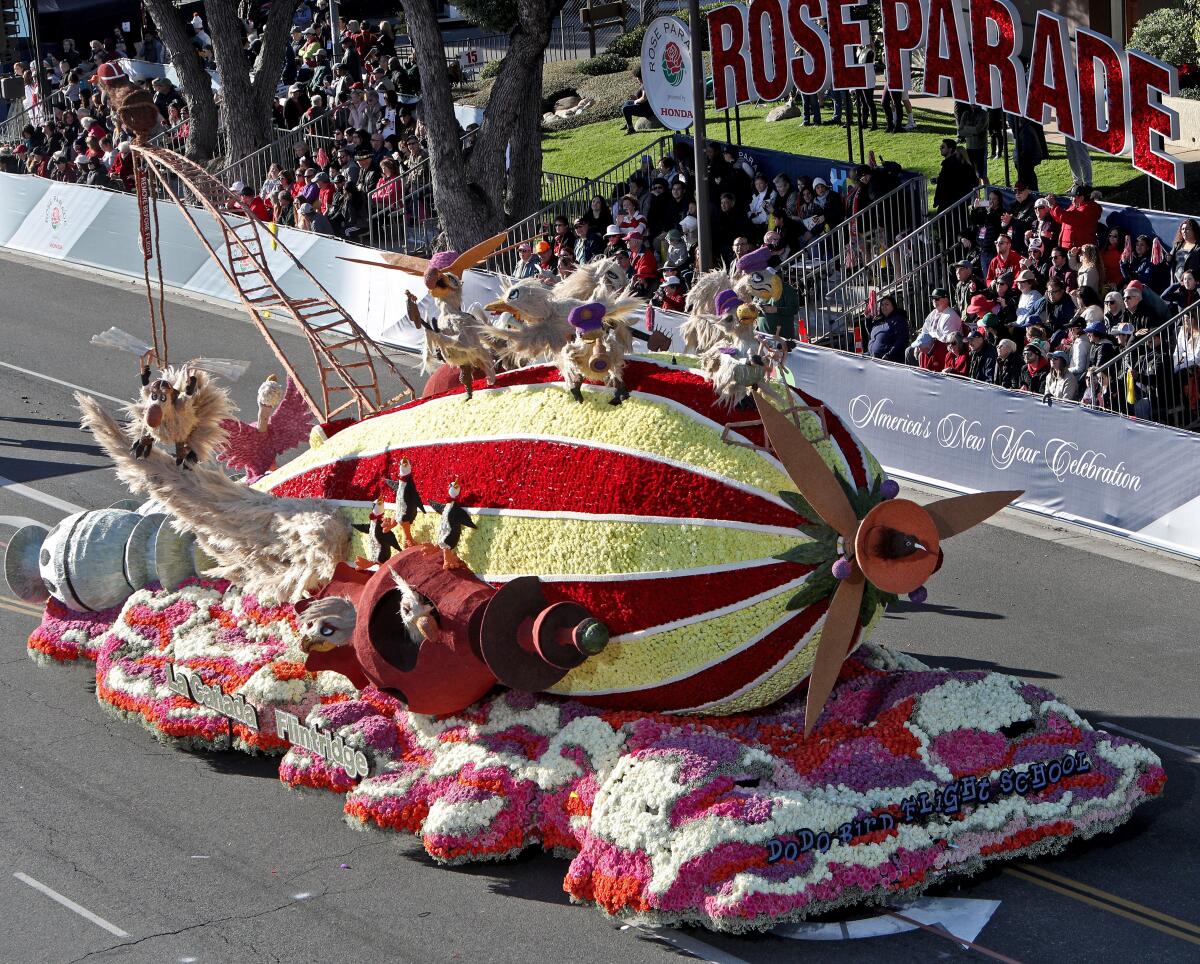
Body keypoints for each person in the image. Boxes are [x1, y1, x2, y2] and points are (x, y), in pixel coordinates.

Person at [911, 288, 962, 368]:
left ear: (946, 299)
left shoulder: (951, 315)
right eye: (932, 299)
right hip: (933, 344)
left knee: (928, 351)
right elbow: (925, 331)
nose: (934, 301)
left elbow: (948, 339)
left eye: (937, 298)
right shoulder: (933, 313)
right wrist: (919, 344)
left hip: (946, 346)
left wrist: (933, 335)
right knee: (910, 351)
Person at [867, 293, 909, 362]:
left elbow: (902, 339)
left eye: (887, 304)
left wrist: (889, 355)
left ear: (893, 306)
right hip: (873, 358)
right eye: (882, 305)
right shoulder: (879, 320)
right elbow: (872, 333)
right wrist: (868, 318)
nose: (884, 307)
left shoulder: (899, 319)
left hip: (889, 360)